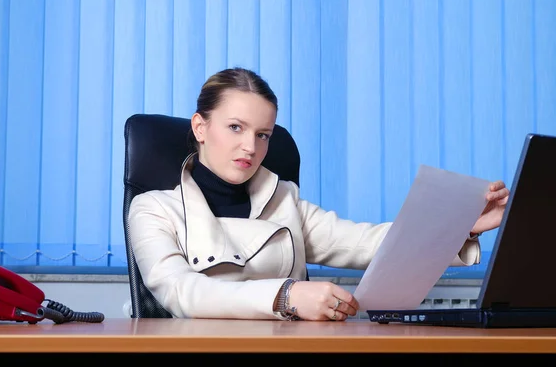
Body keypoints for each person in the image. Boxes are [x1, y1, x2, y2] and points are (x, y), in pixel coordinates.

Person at [128, 67, 510, 321]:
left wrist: (460, 226)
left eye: (262, 134)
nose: (250, 146)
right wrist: (287, 295)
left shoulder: (283, 199)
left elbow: (366, 243)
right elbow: (181, 291)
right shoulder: (153, 209)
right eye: (235, 127)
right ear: (200, 126)